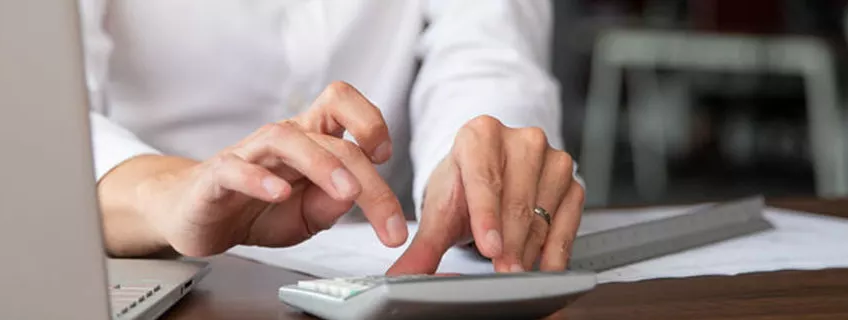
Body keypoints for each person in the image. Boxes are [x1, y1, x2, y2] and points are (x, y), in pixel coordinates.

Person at [83, 1, 583, 275]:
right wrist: (171, 193)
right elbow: (38, 116)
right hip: (151, 273)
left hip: (379, 294)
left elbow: (486, 54)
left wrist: (478, 170)